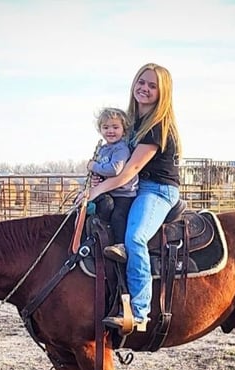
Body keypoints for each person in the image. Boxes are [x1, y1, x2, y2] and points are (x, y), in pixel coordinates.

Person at [81, 63, 182, 332]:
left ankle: (139, 312)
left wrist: (99, 189)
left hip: (157, 189)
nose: (144, 88)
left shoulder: (157, 126)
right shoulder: (129, 122)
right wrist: (98, 174)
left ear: (163, 93)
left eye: (152, 85)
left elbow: (131, 169)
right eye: (141, 82)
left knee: (135, 237)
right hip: (132, 186)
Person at [86, 108, 138, 250]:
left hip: (124, 194)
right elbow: (102, 171)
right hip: (109, 191)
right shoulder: (103, 149)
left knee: (118, 216)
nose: (110, 131)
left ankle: (120, 245)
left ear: (124, 130)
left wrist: (94, 166)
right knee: (90, 208)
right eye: (106, 127)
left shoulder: (121, 149)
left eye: (115, 127)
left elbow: (114, 169)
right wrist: (96, 179)